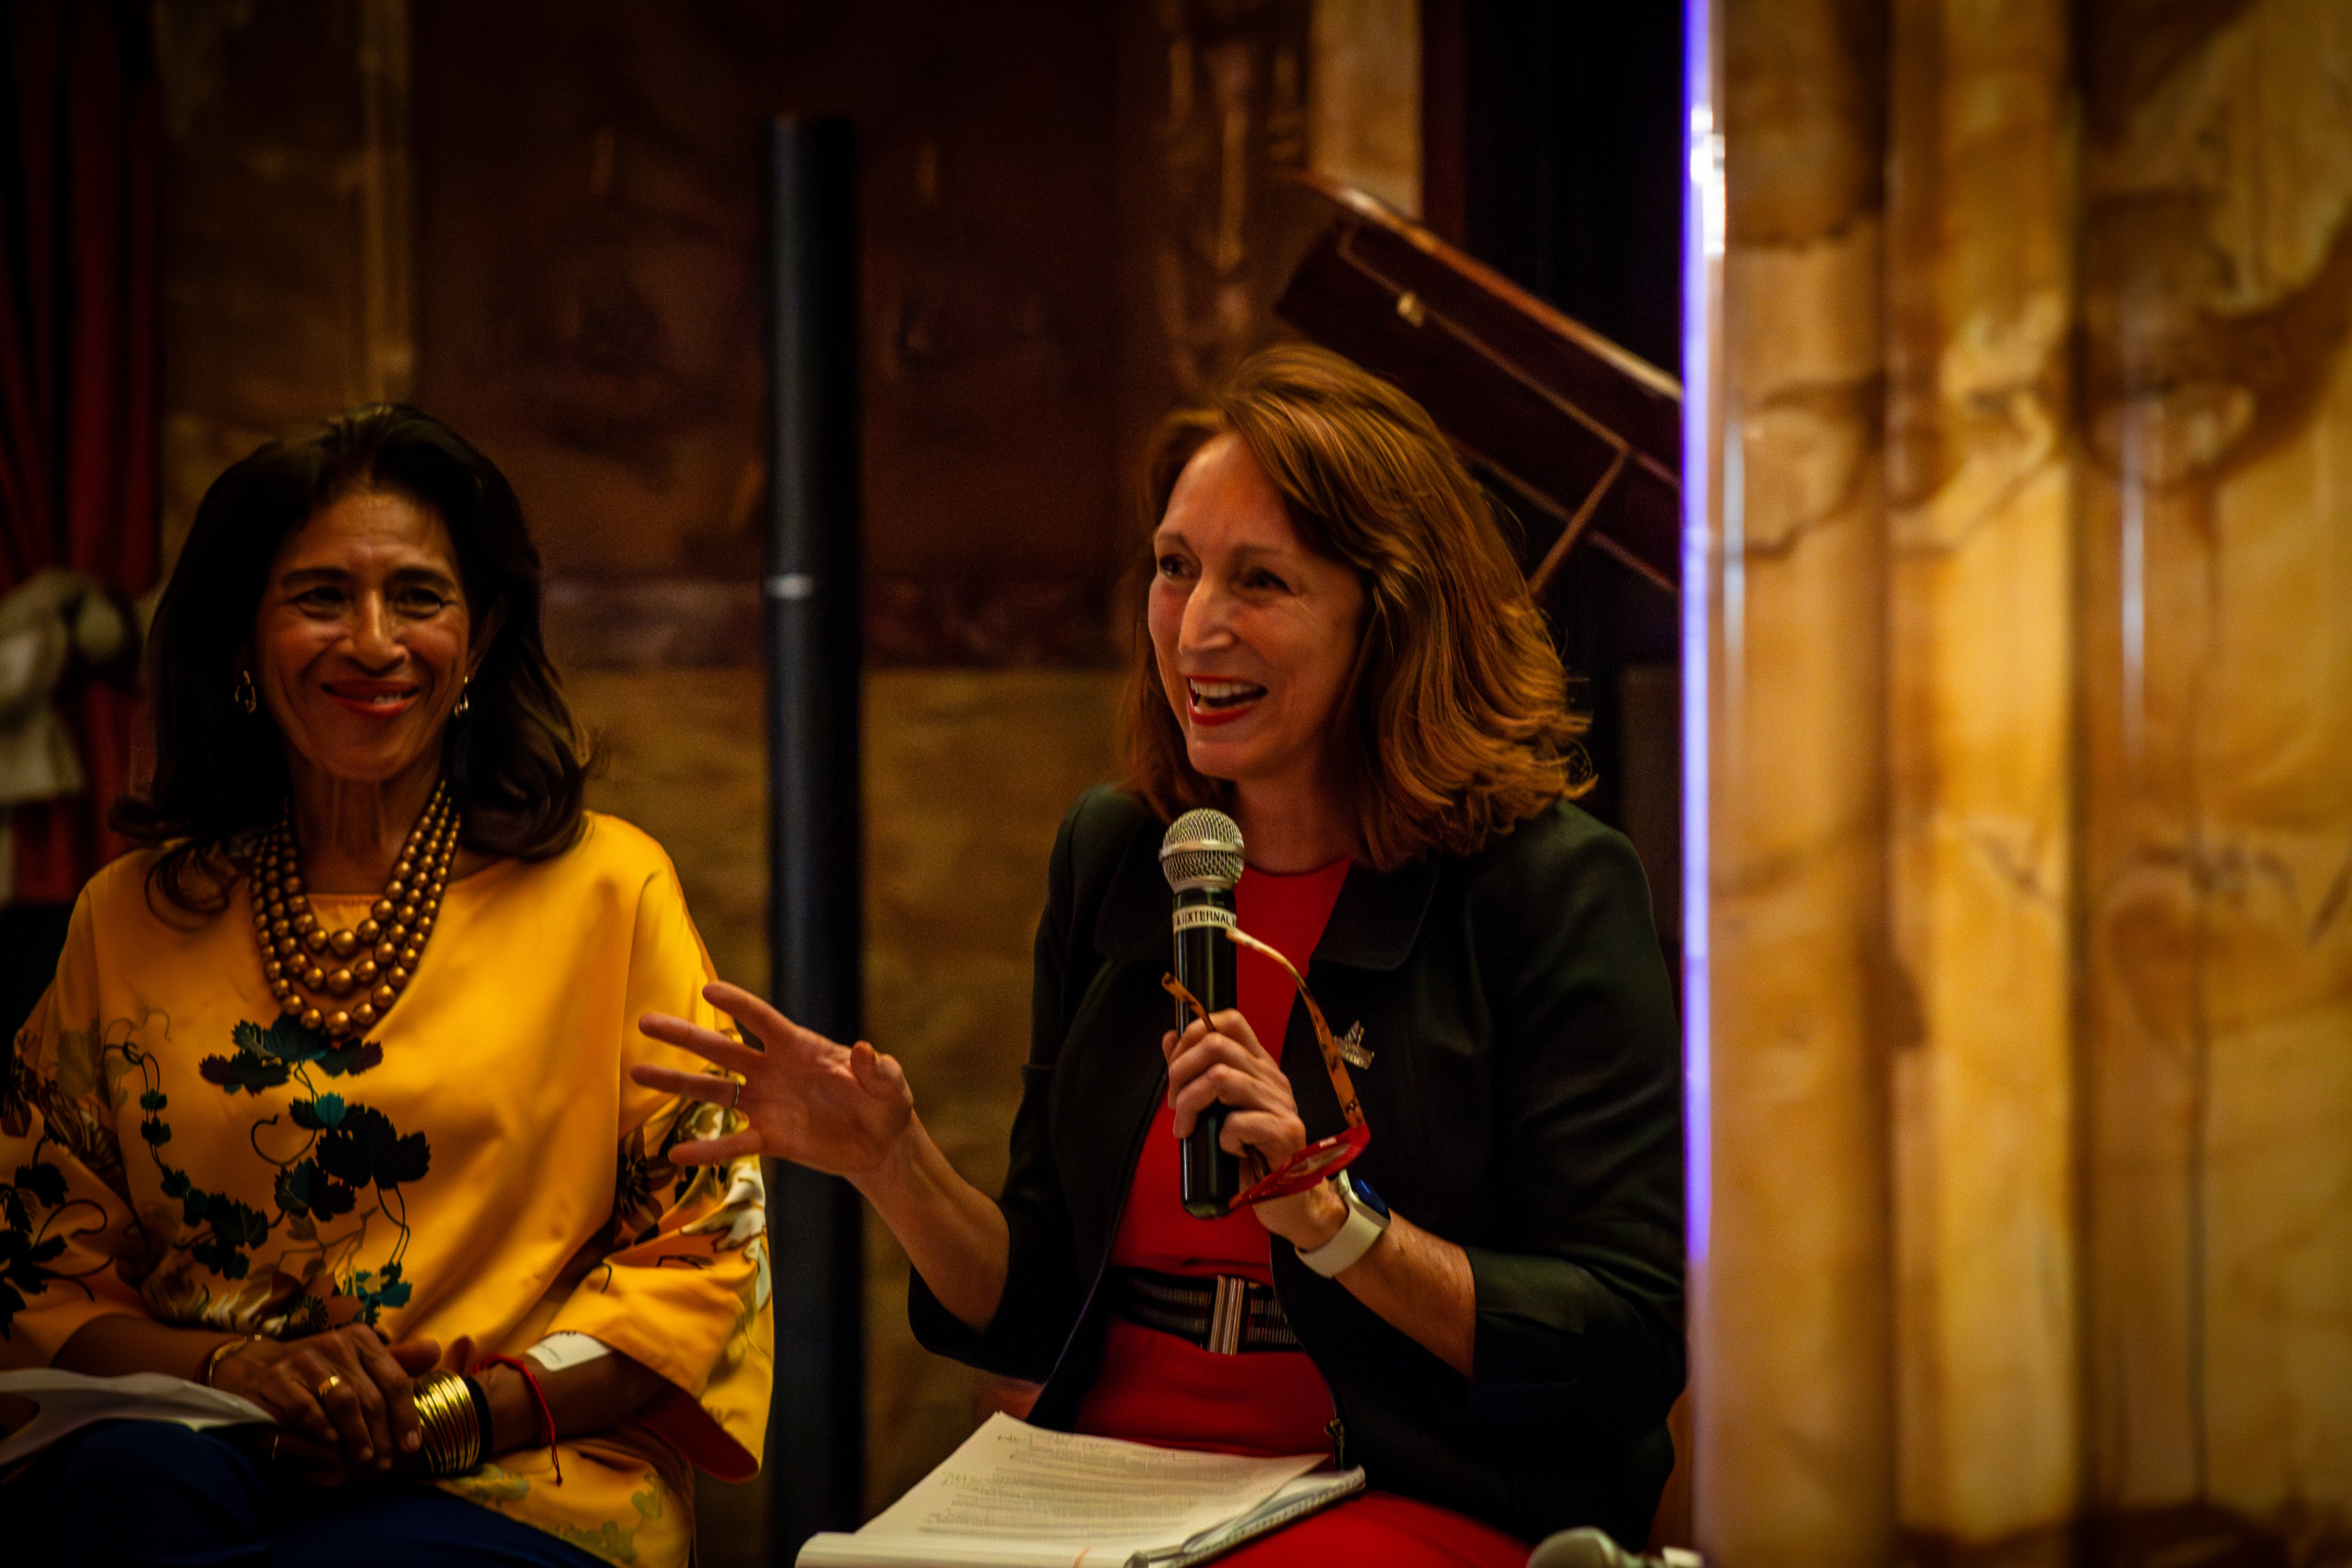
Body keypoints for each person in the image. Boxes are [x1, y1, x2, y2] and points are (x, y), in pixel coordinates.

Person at [639, 344, 1683, 1561]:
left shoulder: (1544, 888)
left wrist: (1334, 1221)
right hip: (1105, 1479)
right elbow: (1035, 1308)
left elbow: (1623, 1337)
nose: (1195, 627)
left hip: (1403, 1480)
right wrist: (894, 1161)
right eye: (1175, 567)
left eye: (1261, 582)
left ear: (1388, 617)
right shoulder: (1118, 851)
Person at [0, 407, 773, 1568]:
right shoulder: (127, 916)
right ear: (242, 638)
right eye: (321, 597)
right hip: (209, 1439)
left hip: (516, 1473)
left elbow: (703, 1259)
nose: (373, 642)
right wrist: (239, 1370)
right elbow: (40, 1278)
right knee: (121, 1493)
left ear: (482, 632)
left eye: (417, 597)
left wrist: (436, 1420)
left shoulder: (612, 894)